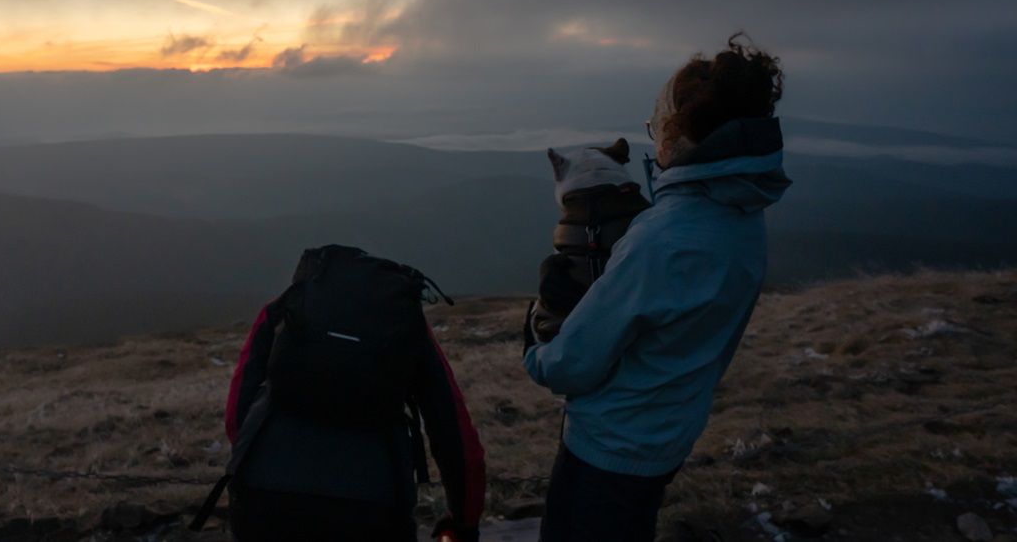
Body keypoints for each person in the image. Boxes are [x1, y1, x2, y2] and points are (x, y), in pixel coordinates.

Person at [524, 33, 791, 541]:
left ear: (682, 136)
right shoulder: (741, 213)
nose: (655, 140)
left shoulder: (665, 237)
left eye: (658, 127)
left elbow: (570, 365)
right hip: (668, 432)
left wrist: (537, 338)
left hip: (611, 445)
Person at [223, 249, 485, 541]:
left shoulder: (286, 306)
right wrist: (464, 521)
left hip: (262, 499)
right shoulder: (407, 326)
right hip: (371, 506)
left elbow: (236, 414)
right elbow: (453, 432)